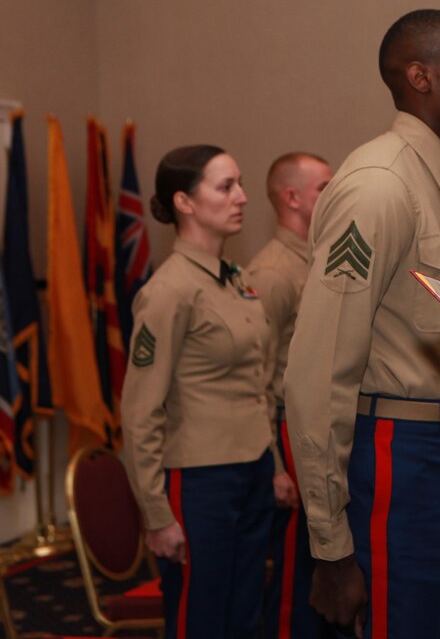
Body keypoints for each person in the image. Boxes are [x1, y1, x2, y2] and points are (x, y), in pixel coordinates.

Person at [283, 8, 440, 638]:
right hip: (398, 456)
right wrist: (330, 546)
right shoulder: (380, 185)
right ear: (420, 78)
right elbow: (319, 377)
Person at [121, 145, 276, 638]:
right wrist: (156, 513)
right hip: (200, 479)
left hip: (251, 467)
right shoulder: (169, 291)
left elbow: (256, 381)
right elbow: (141, 410)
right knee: (201, 617)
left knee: (245, 612)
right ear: (185, 202)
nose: (243, 198)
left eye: (240, 184)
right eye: (225, 187)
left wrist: (271, 460)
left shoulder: (235, 280)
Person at [248, 151, 335, 638]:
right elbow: (256, 381)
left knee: (320, 559)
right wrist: (276, 465)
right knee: (292, 570)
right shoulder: (273, 272)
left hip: (317, 427)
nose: (333, 194)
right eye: (324, 187)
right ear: (292, 197)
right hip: (286, 427)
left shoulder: (317, 259)